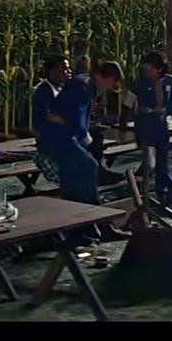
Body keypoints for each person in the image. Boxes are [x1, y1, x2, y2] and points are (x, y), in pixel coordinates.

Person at [39, 61, 125, 242]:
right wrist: (83, 136)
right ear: (106, 77)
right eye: (112, 83)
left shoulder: (85, 84)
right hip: (58, 139)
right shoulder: (83, 86)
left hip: (64, 138)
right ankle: (94, 224)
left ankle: (89, 227)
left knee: (76, 181)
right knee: (89, 167)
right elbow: (76, 116)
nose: (109, 88)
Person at [122, 51, 172, 204]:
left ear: (159, 68)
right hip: (144, 125)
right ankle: (142, 193)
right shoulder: (139, 83)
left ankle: (162, 192)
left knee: (163, 161)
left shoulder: (169, 81)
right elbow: (127, 104)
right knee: (150, 162)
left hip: (161, 125)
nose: (147, 72)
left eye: (150, 69)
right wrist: (123, 124)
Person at [32, 55, 71, 183]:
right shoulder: (44, 91)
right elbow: (46, 115)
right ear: (51, 72)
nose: (68, 72)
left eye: (68, 68)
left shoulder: (63, 88)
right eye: (63, 69)